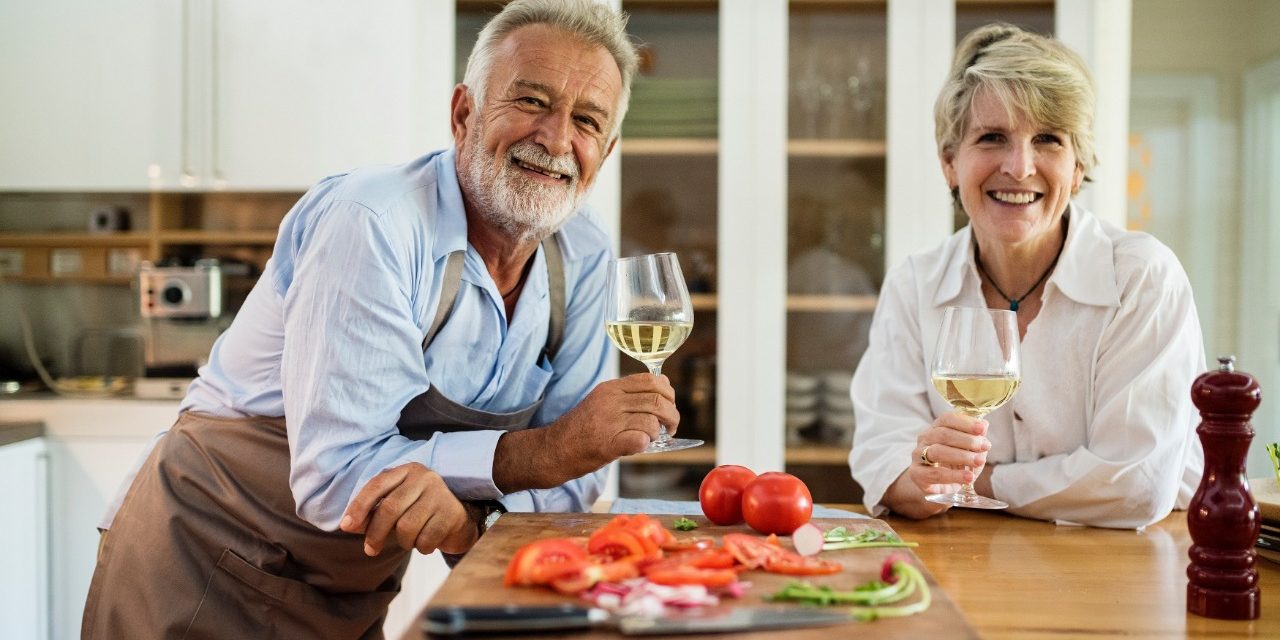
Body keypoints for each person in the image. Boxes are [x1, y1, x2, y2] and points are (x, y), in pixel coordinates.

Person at [81, 1, 675, 637]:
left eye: (585, 120)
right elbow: (339, 473)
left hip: (353, 585)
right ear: (464, 114)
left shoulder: (580, 253)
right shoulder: (374, 223)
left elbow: (575, 485)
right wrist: (544, 454)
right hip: (203, 562)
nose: (556, 139)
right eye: (531, 101)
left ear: (605, 152)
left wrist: (475, 521)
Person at [849, 23, 1205, 529]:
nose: (1019, 167)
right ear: (950, 162)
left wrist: (969, 481)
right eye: (992, 137)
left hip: (1129, 572)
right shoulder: (915, 284)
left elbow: (1134, 484)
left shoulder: (1140, 278)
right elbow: (881, 461)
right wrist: (922, 479)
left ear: (1078, 167)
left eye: (1047, 140)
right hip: (965, 565)